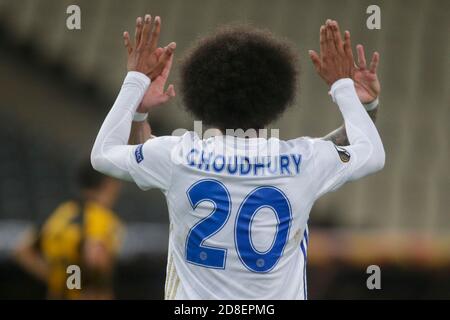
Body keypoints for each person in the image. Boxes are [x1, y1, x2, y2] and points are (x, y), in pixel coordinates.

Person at [91, 15, 384, 299]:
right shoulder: (303, 161)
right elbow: (369, 152)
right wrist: (348, 92)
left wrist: (136, 84)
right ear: (277, 95)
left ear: (200, 93)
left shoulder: (177, 156)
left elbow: (103, 154)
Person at [14, 160, 124, 299]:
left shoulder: (61, 214)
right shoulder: (101, 218)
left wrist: (60, 279)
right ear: (109, 184)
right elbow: (95, 259)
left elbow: (22, 251)